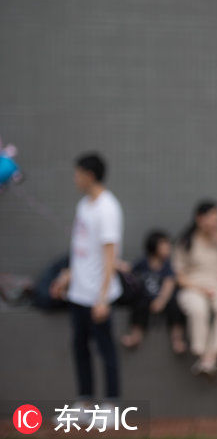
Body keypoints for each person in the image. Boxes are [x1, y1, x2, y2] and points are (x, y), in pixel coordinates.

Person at [50, 153, 124, 409]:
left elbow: (110, 255)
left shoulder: (108, 208)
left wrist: (102, 298)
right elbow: (82, 248)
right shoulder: (83, 205)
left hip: (97, 295)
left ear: (89, 175)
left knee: (106, 350)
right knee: (80, 349)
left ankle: (111, 405)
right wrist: (67, 276)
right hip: (78, 293)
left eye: (77, 173)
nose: (75, 178)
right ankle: (85, 403)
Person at [173, 200, 217, 378]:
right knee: (198, 308)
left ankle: (210, 357)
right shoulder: (186, 242)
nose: (216, 222)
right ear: (200, 218)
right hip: (193, 286)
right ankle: (203, 353)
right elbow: (179, 276)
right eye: (212, 218)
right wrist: (200, 289)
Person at [120, 230, 187, 354]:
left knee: (176, 307)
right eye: (164, 245)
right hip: (147, 297)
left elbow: (169, 283)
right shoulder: (144, 262)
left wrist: (161, 301)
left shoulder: (167, 265)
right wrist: (113, 263)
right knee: (139, 304)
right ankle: (136, 335)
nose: (168, 248)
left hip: (164, 298)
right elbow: (128, 268)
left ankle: (177, 339)